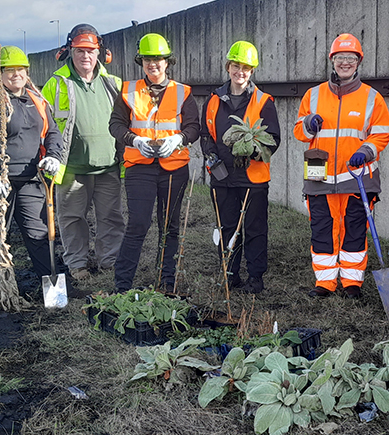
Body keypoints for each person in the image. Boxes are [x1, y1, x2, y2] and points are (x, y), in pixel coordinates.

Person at [0, 45, 65, 298]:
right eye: (9, 70)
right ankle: (2, 294)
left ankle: (54, 297)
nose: (16, 75)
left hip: (30, 179)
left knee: (40, 234)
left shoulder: (37, 101)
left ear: (27, 72)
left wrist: (53, 156)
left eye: (20, 69)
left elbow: (53, 134)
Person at [294, 33, 389, 299]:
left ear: (358, 62)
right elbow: (298, 131)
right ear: (332, 60)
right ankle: (325, 283)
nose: (345, 62)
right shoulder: (313, 95)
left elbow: (382, 133)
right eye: (340, 58)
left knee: (354, 231)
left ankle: (351, 283)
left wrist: (365, 150)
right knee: (323, 229)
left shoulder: (372, 97)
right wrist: (307, 123)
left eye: (350, 58)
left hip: (357, 176)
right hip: (319, 177)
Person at [109, 33, 200, 294]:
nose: (153, 64)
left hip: (174, 168)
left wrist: (180, 139)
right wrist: (133, 140)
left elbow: (194, 126)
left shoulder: (183, 92)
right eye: (148, 59)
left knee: (170, 225)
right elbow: (115, 124)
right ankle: (122, 284)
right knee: (138, 223)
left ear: (167, 61)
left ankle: (167, 281)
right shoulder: (128, 91)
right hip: (140, 165)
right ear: (141, 61)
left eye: (158, 59)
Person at [41, 24, 125, 284]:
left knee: (111, 217)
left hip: (108, 165)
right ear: (69, 52)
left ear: (101, 53)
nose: (85, 56)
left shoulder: (113, 83)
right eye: (79, 51)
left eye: (91, 51)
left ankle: (109, 260)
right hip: (71, 167)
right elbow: (42, 124)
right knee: (72, 218)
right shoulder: (56, 85)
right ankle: (77, 264)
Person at [200, 41, 281, 294]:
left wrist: (252, 152)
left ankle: (256, 278)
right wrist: (212, 158)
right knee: (227, 227)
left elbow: (273, 139)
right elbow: (206, 135)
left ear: (252, 71)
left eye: (246, 67)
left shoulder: (263, 101)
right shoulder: (213, 100)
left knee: (255, 229)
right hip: (222, 178)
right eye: (236, 66)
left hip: (253, 178)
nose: (240, 72)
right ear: (228, 67)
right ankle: (230, 274)